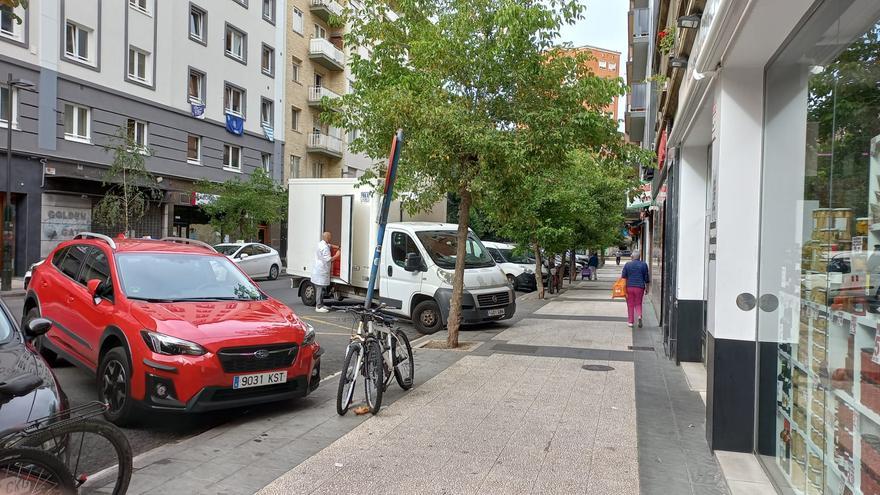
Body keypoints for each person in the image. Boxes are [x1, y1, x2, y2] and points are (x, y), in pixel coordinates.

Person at [312, 231, 340, 313]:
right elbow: (328, 259)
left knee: (321, 289)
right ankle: (318, 306)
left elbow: (330, 245)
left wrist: (337, 247)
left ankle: (321, 304)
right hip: (321, 270)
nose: (331, 238)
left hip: (318, 269)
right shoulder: (324, 247)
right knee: (320, 289)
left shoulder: (321, 243)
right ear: (327, 238)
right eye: (330, 236)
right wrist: (337, 255)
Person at [621, 250, 649, 328]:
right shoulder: (644, 265)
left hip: (629, 287)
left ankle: (631, 322)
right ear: (639, 257)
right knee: (638, 303)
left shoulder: (627, 264)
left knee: (630, 304)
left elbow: (623, 276)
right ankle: (639, 316)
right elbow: (646, 278)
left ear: (632, 257)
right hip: (640, 287)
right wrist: (647, 288)